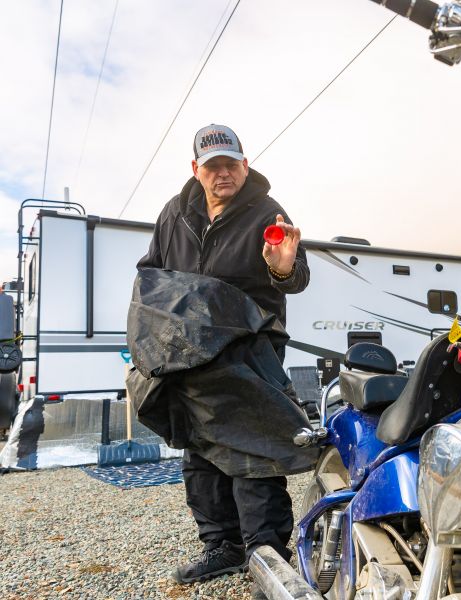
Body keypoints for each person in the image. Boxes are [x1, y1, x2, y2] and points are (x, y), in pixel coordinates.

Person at [136, 124, 310, 585]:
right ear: (197, 170)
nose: (222, 175)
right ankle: (224, 546)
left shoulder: (267, 212)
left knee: (252, 445)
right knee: (199, 448)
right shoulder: (174, 214)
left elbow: (296, 276)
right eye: (212, 167)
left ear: (245, 165)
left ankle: (267, 552)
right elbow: (150, 274)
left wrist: (283, 269)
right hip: (187, 353)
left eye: (231, 165)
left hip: (249, 350)